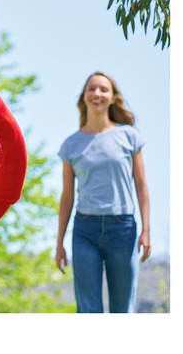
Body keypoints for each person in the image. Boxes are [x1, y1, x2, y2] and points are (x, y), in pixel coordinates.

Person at [55, 71, 151, 313]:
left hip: (123, 229)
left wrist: (146, 230)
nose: (97, 93)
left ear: (112, 98)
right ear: (84, 96)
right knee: (88, 310)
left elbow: (141, 185)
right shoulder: (71, 144)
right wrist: (59, 243)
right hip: (85, 231)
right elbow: (67, 197)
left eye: (103, 89)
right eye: (92, 88)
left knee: (122, 309)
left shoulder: (129, 136)